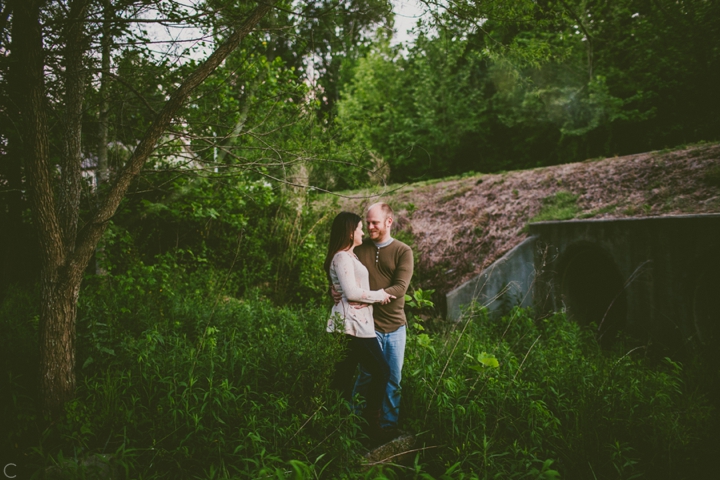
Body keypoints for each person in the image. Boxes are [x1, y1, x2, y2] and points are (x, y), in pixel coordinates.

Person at [334, 203, 414, 433]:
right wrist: (334, 287)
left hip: (396, 325)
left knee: (393, 379)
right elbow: (342, 271)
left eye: (374, 223)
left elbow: (401, 287)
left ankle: (388, 427)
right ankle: (354, 423)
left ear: (389, 222)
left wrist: (376, 296)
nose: (369, 227)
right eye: (367, 223)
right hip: (367, 325)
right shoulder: (358, 248)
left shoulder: (403, 251)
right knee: (366, 376)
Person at [324, 211, 395, 437]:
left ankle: (338, 426)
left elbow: (345, 288)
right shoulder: (342, 257)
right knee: (382, 370)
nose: (363, 231)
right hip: (351, 326)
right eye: (359, 228)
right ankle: (370, 427)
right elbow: (353, 293)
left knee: (342, 377)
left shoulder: (349, 256)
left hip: (354, 324)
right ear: (349, 231)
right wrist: (379, 295)